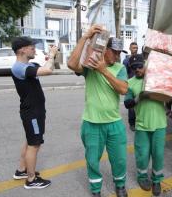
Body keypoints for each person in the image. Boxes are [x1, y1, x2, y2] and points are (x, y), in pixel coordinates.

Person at [67, 25, 129, 197]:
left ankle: (120, 185)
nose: (117, 56)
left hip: (114, 123)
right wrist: (86, 37)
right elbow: (71, 63)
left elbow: (123, 89)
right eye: (114, 52)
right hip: (92, 123)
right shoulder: (90, 65)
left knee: (119, 159)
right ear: (104, 49)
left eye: (119, 53)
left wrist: (104, 71)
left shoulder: (120, 68)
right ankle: (96, 190)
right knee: (92, 160)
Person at [11, 36, 58, 189]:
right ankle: (31, 180)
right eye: (31, 46)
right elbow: (48, 70)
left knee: (29, 140)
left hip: (33, 111)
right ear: (22, 50)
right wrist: (51, 56)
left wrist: (51, 57)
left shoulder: (27, 65)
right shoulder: (19, 67)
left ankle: (22, 170)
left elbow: (46, 66)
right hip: (32, 112)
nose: (34, 49)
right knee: (34, 144)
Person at [123, 54, 167, 196]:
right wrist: (139, 97)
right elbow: (127, 103)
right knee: (142, 155)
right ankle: (142, 177)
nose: (138, 70)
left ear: (145, 65)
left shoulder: (157, 80)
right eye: (134, 68)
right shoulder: (130, 83)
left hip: (159, 124)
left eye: (140, 67)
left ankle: (156, 180)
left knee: (158, 154)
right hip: (142, 125)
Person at [123, 42, 139, 131]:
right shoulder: (126, 61)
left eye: (136, 47)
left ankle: (138, 121)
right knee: (131, 106)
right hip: (130, 85)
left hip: (139, 84)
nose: (135, 49)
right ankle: (132, 123)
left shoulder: (140, 59)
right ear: (130, 48)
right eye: (133, 48)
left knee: (139, 104)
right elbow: (124, 74)